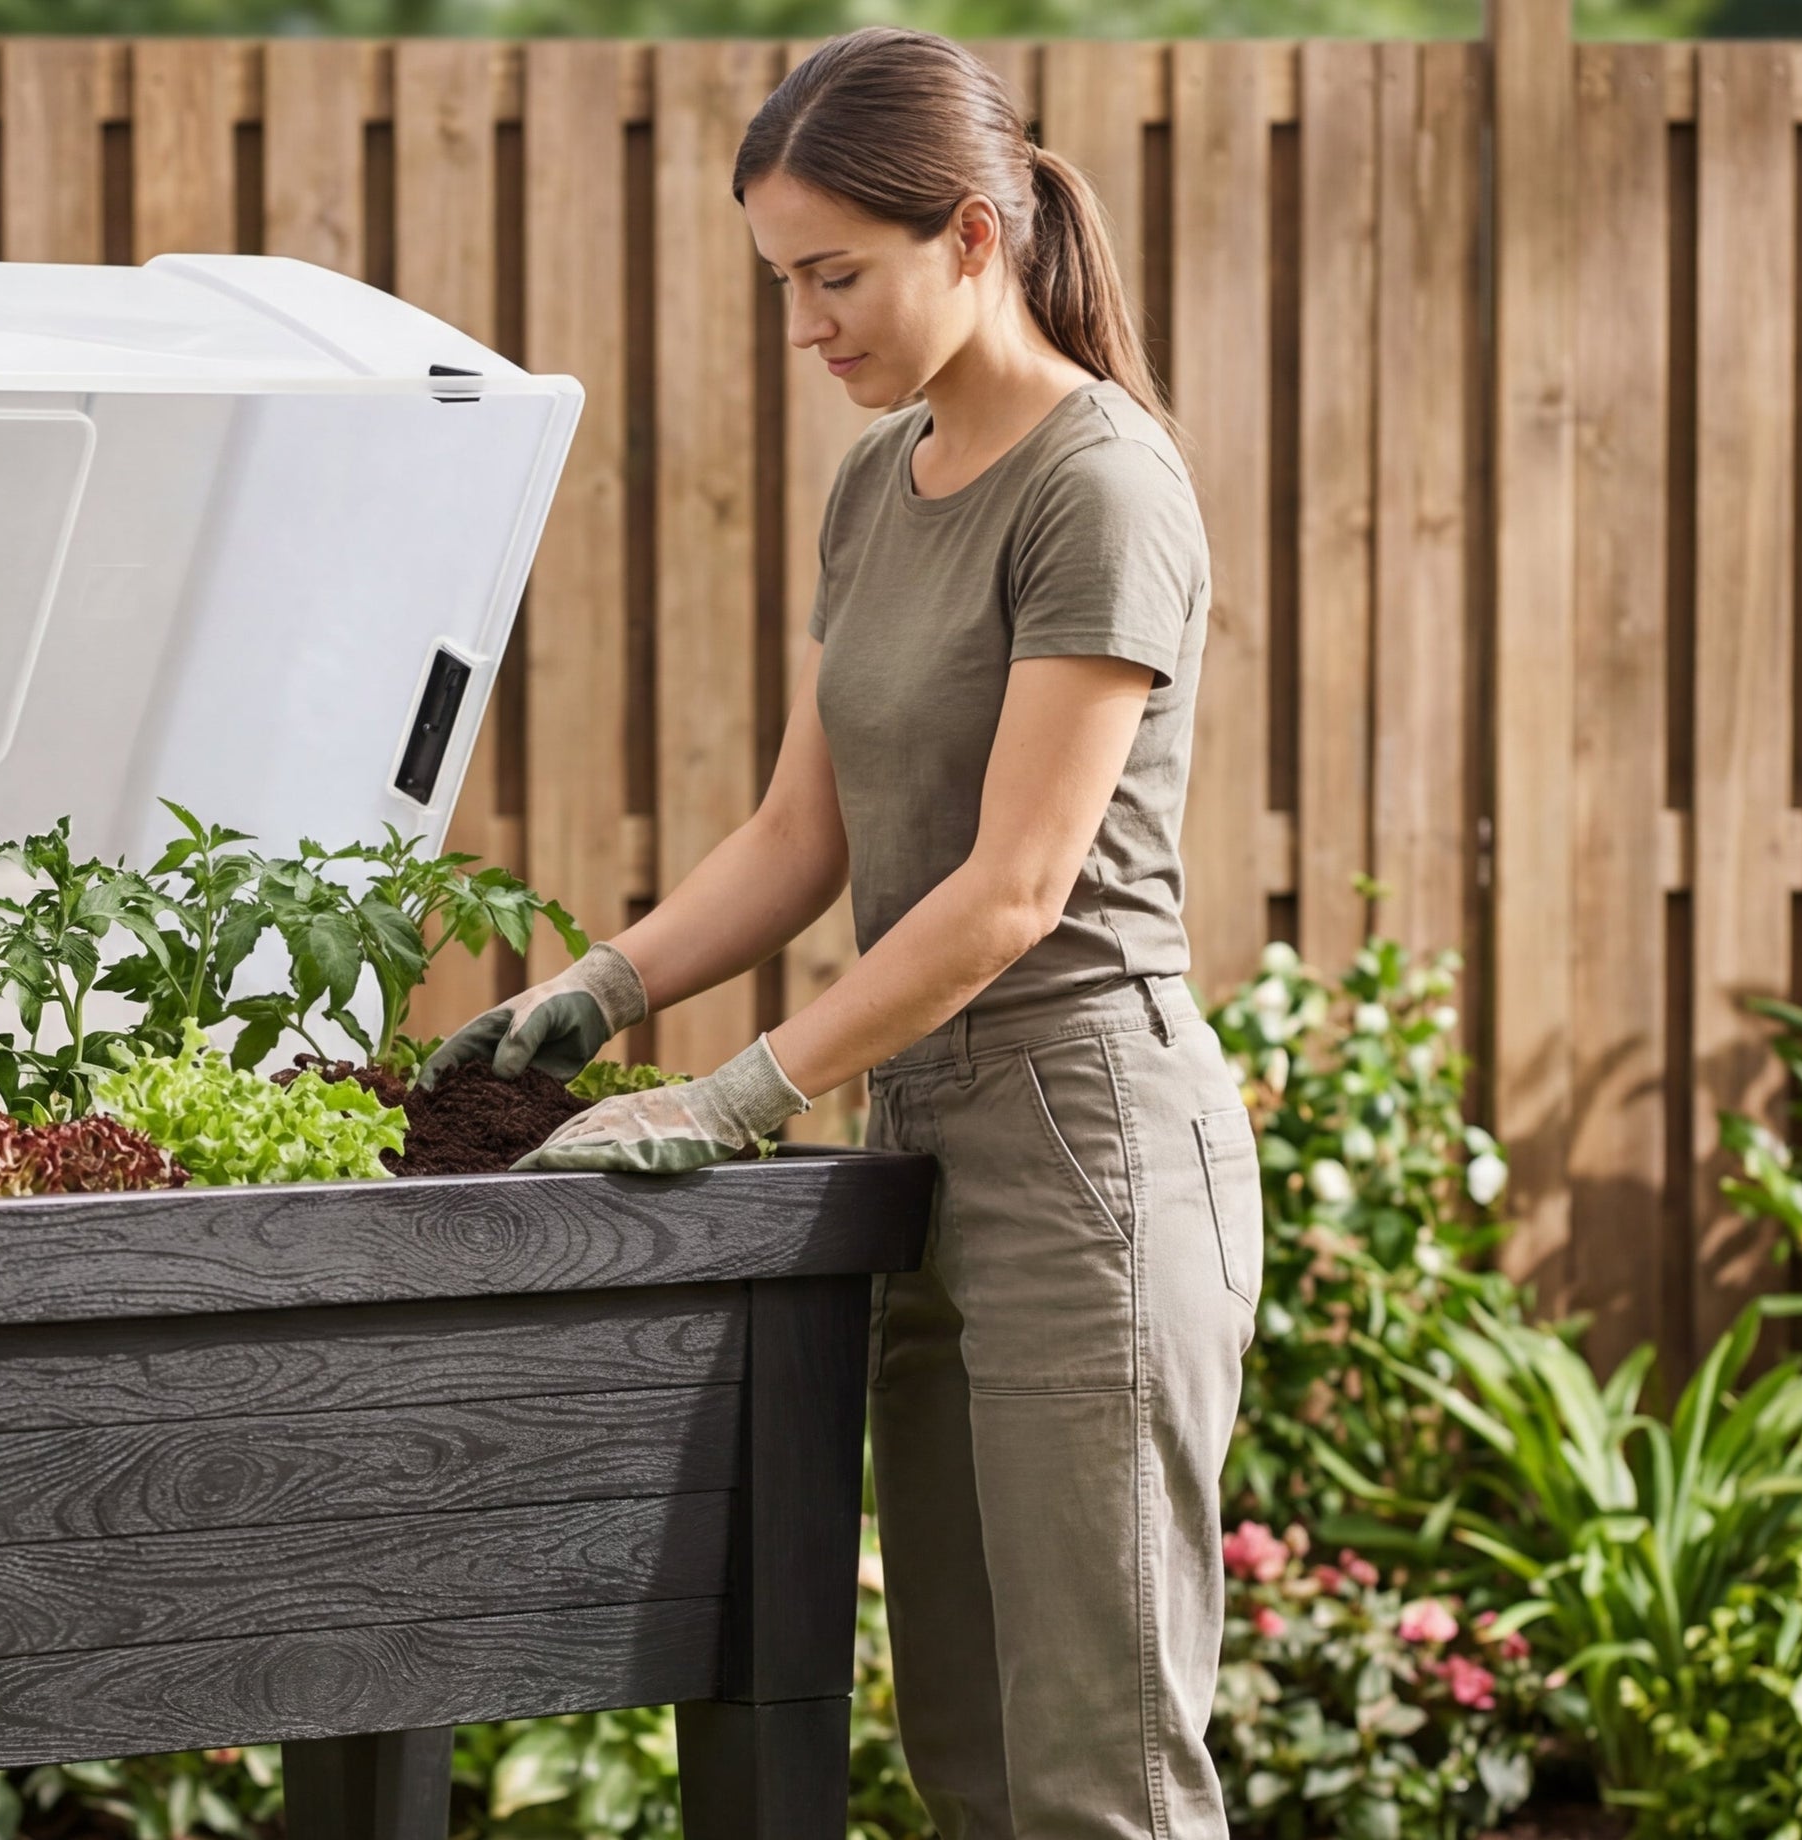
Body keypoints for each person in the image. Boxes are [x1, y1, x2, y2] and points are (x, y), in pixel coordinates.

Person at [429, 27, 1263, 1837]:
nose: (808, 323)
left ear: (974, 237)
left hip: (1088, 1147)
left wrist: (735, 1094)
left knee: (1100, 1782)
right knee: (966, 1756)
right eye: (783, 280)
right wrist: (604, 986)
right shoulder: (881, 488)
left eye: (837, 275)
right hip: (926, 1141)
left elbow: (1014, 890)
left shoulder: (1100, 487)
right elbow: (805, 835)